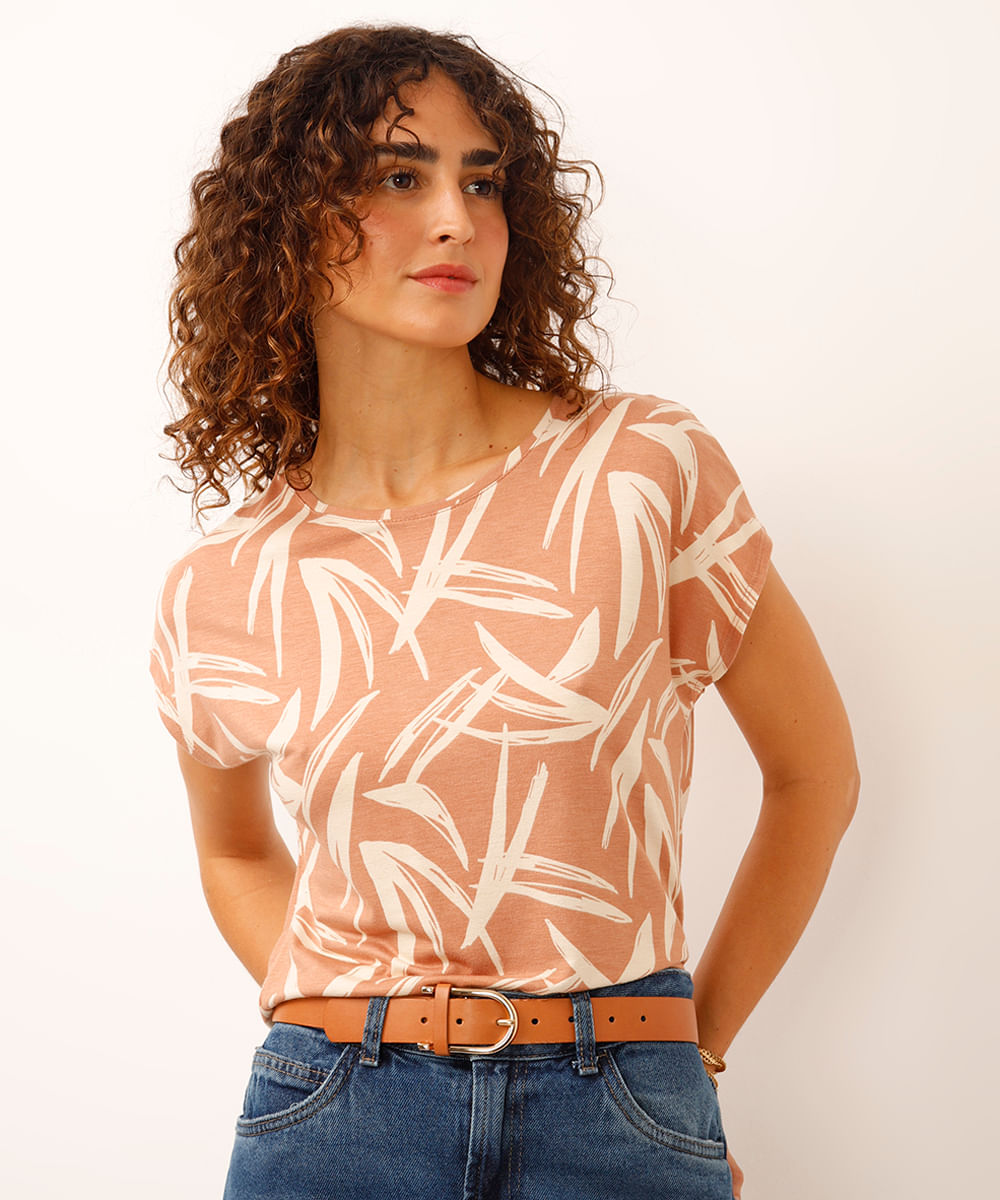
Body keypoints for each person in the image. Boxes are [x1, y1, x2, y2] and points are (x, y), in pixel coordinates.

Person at [150, 24, 859, 1200]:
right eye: (398, 176)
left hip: (617, 1097)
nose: (455, 219)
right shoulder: (226, 582)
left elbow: (813, 777)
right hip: (334, 1116)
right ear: (283, 225)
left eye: (481, 182)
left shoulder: (638, 471)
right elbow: (234, 849)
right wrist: (340, 1013)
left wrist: (686, 1059)